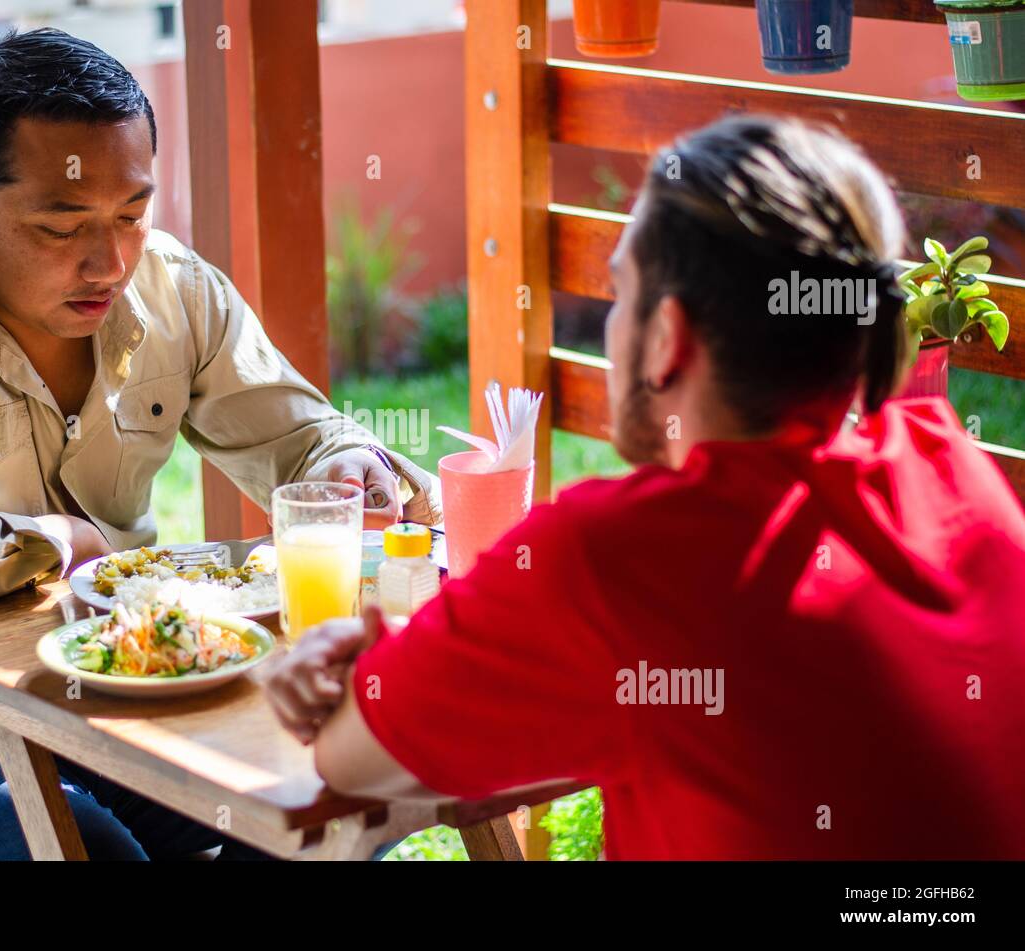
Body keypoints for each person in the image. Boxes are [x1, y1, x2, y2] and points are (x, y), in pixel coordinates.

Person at [265, 115, 1025, 859]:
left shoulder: (622, 555)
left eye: (617, 290)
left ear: (668, 338)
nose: (610, 324)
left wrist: (366, 667)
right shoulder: (954, 463)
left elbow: (349, 757)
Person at [0, 29, 438, 861]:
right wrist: (63, 539)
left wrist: (343, 463)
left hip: (125, 702)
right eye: (63, 227)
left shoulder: (171, 287)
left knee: (341, 796)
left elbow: (301, 434)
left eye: (133, 213)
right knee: (87, 853)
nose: (111, 262)